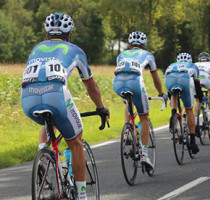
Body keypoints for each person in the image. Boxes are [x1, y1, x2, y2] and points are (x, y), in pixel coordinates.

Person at [21, 13, 109, 200]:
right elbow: (91, 85)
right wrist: (100, 107)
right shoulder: (76, 50)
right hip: (56, 96)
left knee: (49, 123)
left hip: (28, 100)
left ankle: (43, 157)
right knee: (76, 141)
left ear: (47, 36)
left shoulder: (36, 48)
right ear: (69, 35)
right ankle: (82, 196)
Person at [113, 31, 168, 169]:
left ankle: (127, 130)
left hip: (118, 84)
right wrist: (161, 93)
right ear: (144, 45)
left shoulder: (121, 55)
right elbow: (155, 78)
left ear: (130, 45)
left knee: (128, 101)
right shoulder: (148, 55)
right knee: (144, 118)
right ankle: (144, 154)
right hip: (135, 83)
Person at [165, 52, 200, 154]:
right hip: (184, 81)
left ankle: (173, 115)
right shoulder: (193, 66)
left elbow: (168, 86)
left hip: (169, 81)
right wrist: (199, 97)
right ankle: (193, 142)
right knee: (189, 109)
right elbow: (197, 85)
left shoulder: (171, 65)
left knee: (173, 94)